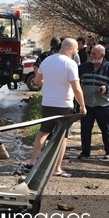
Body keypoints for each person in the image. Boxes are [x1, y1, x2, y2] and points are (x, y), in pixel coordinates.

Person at [25, 38, 84, 177]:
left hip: (48, 103)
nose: (77, 51)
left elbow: (37, 81)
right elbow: (76, 88)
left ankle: (33, 161)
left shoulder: (47, 60)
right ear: (70, 49)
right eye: (76, 49)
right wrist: (82, 105)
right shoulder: (71, 63)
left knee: (43, 132)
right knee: (62, 137)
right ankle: (57, 168)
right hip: (64, 105)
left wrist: (50, 82)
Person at [77, 45, 109, 159]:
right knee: (85, 129)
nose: (91, 55)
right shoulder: (83, 67)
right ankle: (85, 152)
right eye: (91, 53)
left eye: (94, 54)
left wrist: (107, 88)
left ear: (102, 55)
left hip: (103, 104)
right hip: (87, 103)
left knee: (106, 129)